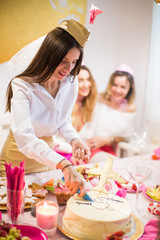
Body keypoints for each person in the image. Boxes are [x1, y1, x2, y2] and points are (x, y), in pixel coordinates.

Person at [0, 19, 91, 197]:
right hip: (17, 162)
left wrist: (75, 140)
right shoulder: (22, 86)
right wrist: (64, 164)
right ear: (49, 55)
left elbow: (62, 122)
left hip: (48, 161)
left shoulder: (71, 83)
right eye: (64, 60)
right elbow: (25, 139)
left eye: (74, 62)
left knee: (44, 205)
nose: (68, 68)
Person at [85, 63, 136, 158]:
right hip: (90, 145)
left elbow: (126, 137)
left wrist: (107, 140)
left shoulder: (130, 108)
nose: (117, 90)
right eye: (115, 85)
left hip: (109, 149)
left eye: (123, 87)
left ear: (129, 89)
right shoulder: (99, 98)